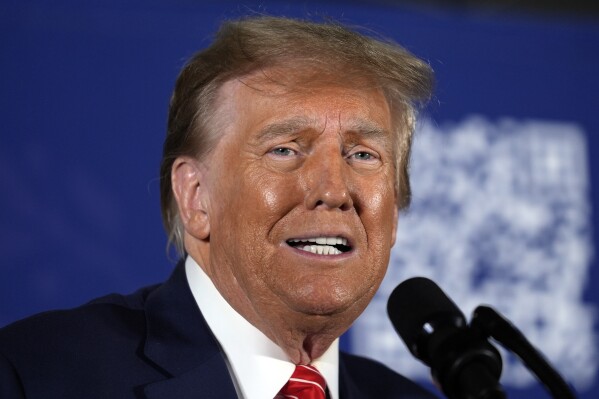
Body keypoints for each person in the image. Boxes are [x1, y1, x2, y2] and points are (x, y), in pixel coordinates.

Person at [0, 16, 436, 398]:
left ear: (394, 210)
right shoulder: (34, 374)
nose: (334, 190)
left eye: (362, 155)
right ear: (195, 196)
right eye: (285, 150)